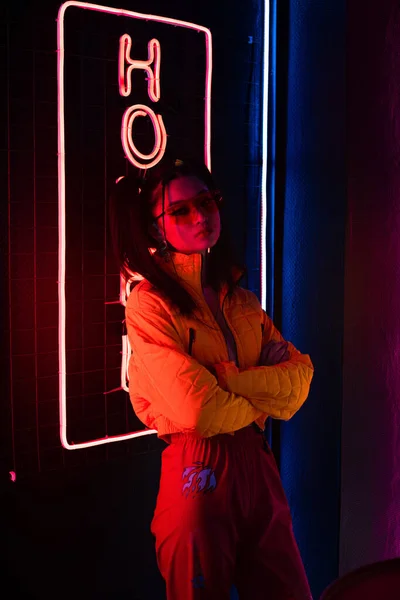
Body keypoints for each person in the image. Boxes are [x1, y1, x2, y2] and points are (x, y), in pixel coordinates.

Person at [109, 157, 314, 600]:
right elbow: (197, 409)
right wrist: (262, 396)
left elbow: (299, 382)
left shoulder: (241, 300)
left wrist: (233, 382)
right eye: (180, 210)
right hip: (196, 467)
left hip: (257, 464)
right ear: (156, 227)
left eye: (206, 202)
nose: (200, 216)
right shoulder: (149, 305)